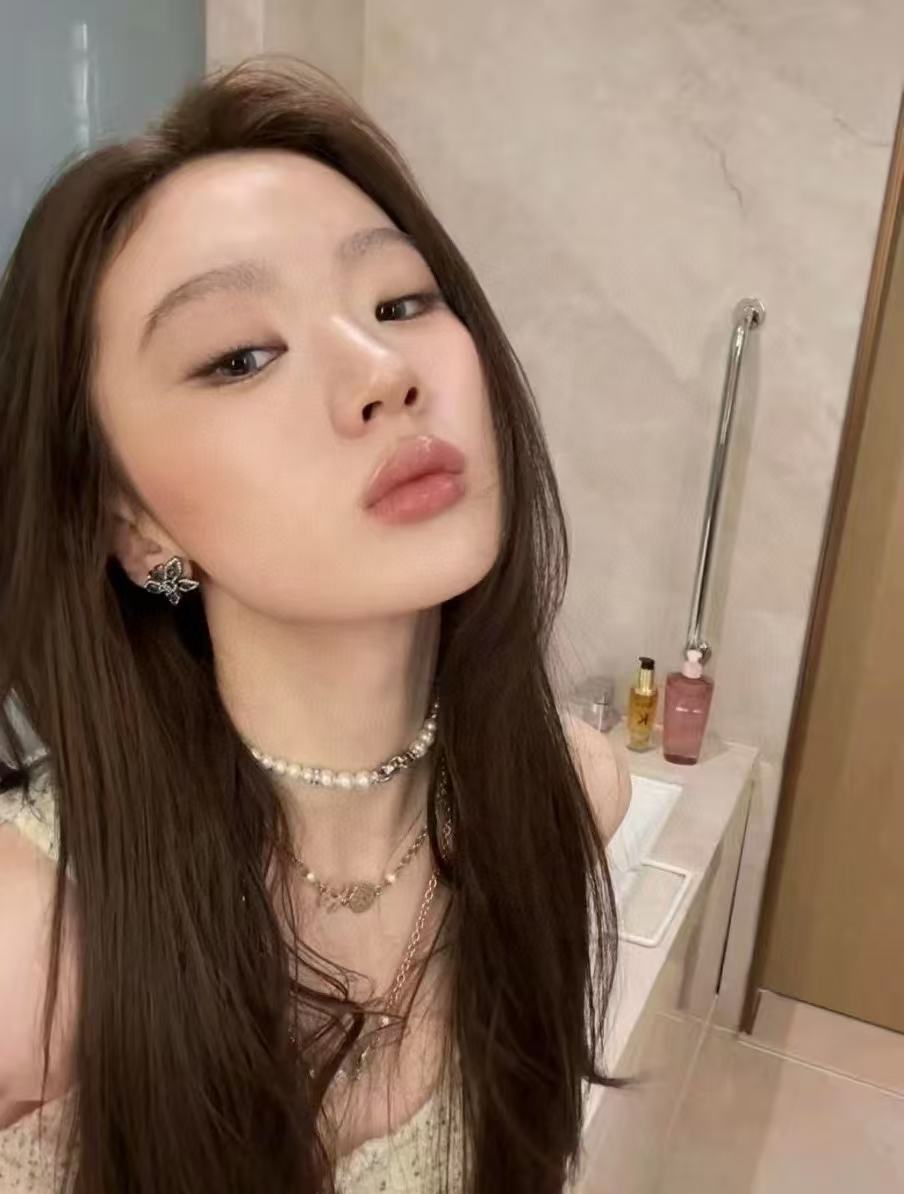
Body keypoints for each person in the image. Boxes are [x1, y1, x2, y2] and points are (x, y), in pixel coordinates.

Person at [0, 55, 631, 1194]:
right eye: (241, 357)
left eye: (400, 303)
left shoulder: (567, 794)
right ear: (134, 525)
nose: (383, 372)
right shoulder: (32, 937)